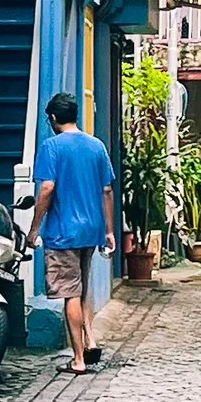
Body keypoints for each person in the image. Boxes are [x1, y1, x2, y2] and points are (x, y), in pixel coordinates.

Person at [28, 89, 116, 375]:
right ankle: (90, 340)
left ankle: (78, 358)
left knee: (70, 294)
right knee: (84, 288)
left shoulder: (51, 147)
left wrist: (34, 228)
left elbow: (47, 188)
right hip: (91, 230)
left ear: (53, 118)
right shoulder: (96, 146)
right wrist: (109, 230)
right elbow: (106, 190)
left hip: (63, 231)